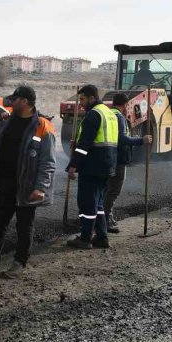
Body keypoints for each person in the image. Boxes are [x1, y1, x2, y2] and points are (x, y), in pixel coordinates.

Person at [0, 85, 56, 278]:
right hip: (6, 182)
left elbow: (48, 162)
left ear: (25, 101)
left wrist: (41, 187)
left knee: (24, 226)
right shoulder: (10, 121)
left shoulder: (42, 126)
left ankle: (20, 262)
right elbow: (0, 146)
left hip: (27, 186)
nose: (11, 103)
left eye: (14, 100)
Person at [66, 85, 118, 249]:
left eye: (82, 99)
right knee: (98, 204)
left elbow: (85, 144)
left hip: (93, 166)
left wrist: (73, 165)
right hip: (107, 165)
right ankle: (102, 237)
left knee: (87, 202)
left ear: (92, 98)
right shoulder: (109, 113)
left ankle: (85, 238)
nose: (80, 103)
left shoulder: (93, 115)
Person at [104, 93, 152, 233]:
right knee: (113, 192)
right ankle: (106, 220)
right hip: (118, 159)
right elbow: (122, 138)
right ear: (125, 105)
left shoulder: (107, 114)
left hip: (109, 157)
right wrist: (141, 140)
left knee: (107, 190)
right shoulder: (119, 117)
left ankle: (105, 218)